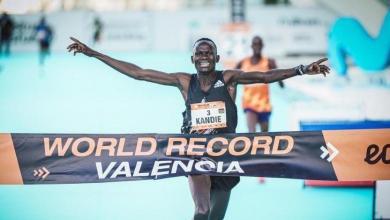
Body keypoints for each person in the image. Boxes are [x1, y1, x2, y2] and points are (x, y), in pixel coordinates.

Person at [67, 36, 330, 220]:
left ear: (216, 57)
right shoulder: (184, 82)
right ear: (192, 58)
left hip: (227, 155)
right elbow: (140, 73)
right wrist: (94, 53)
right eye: (200, 53)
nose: (204, 57)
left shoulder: (228, 79)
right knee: (201, 212)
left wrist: (301, 69)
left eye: (208, 53)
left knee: (215, 217)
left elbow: (264, 77)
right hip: (196, 153)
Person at [236, 36, 284, 133]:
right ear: (251, 46)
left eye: (259, 44)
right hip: (249, 104)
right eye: (255, 44)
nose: (257, 46)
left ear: (262, 46)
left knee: (265, 135)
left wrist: (279, 77)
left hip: (264, 105)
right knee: (252, 132)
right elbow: (231, 78)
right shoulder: (243, 62)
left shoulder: (269, 62)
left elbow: (280, 81)